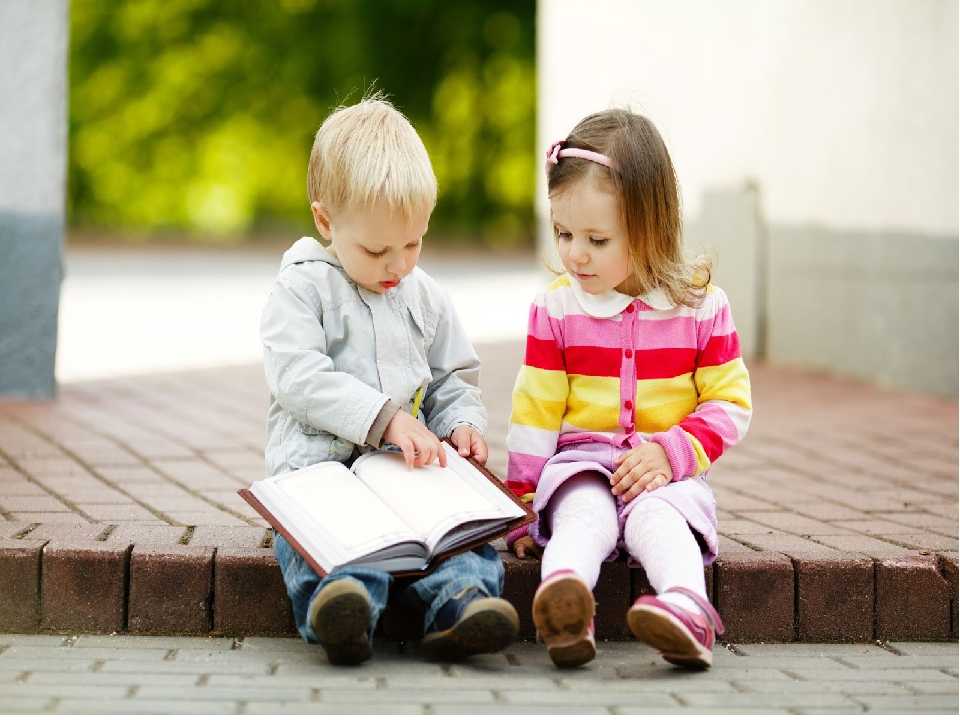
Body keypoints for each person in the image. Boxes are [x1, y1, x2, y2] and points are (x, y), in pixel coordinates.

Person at [260, 95, 518, 666]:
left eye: (413, 243)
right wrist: (386, 418)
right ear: (325, 220)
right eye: (376, 249)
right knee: (322, 536)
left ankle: (461, 602)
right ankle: (338, 605)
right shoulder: (303, 288)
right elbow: (297, 376)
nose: (397, 265)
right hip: (319, 467)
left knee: (461, 532)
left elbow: (452, 375)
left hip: (404, 470)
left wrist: (462, 424)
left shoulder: (423, 295)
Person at [505, 109, 752, 669]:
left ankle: (686, 611)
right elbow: (536, 411)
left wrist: (672, 452)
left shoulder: (701, 307)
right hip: (581, 465)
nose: (574, 254)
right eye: (563, 233)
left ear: (650, 226)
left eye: (596, 238)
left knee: (660, 521)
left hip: (665, 472)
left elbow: (730, 402)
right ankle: (566, 608)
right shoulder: (556, 308)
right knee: (580, 518)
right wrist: (522, 502)